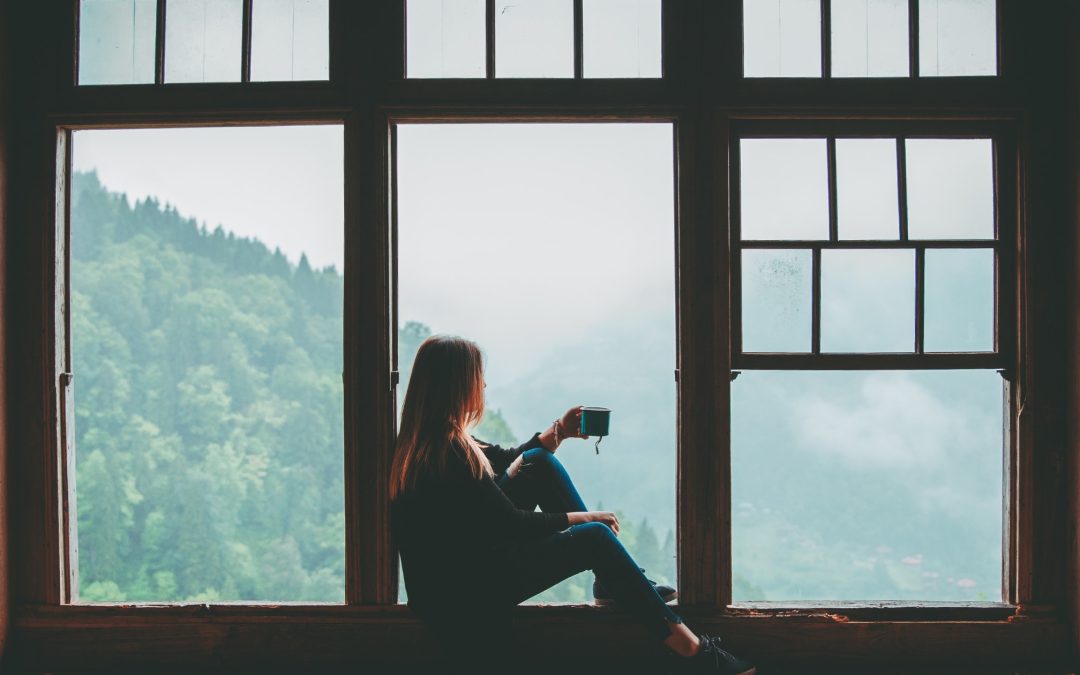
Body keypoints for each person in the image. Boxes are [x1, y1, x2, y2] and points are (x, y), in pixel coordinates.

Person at [390, 335, 755, 674]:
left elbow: (510, 460)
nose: (483, 386)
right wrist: (585, 518)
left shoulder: (435, 440)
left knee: (538, 463)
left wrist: (560, 432)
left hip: (463, 572)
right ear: (457, 385)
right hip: (463, 597)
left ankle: (610, 584)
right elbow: (510, 524)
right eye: (478, 377)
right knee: (594, 537)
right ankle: (693, 651)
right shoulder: (449, 451)